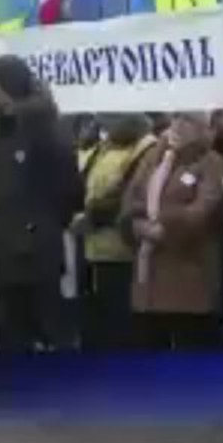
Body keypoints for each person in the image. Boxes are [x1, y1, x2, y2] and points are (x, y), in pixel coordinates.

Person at [0, 55, 84, 351]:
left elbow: (69, 186)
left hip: (40, 245)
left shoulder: (46, 127)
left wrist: (49, 222)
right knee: (14, 330)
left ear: (9, 87)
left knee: (49, 325)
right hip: (3, 244)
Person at [120, 112, 223, 351]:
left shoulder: (210, 161)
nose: (178, 126)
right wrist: (138, 225)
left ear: (201, 128)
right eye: (175, 120)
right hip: (149, 271)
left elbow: (205, 208)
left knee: (191, 351)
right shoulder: (153, 158)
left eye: (187, 120)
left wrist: (165, 224)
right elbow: (132, 198)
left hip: (190, 270)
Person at [74, 114, 156, 350]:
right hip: (94, 249)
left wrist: (93, 217)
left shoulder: (146, 148)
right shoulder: (101, 148)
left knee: (122, 324)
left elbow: (131, 195)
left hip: (125, 250)